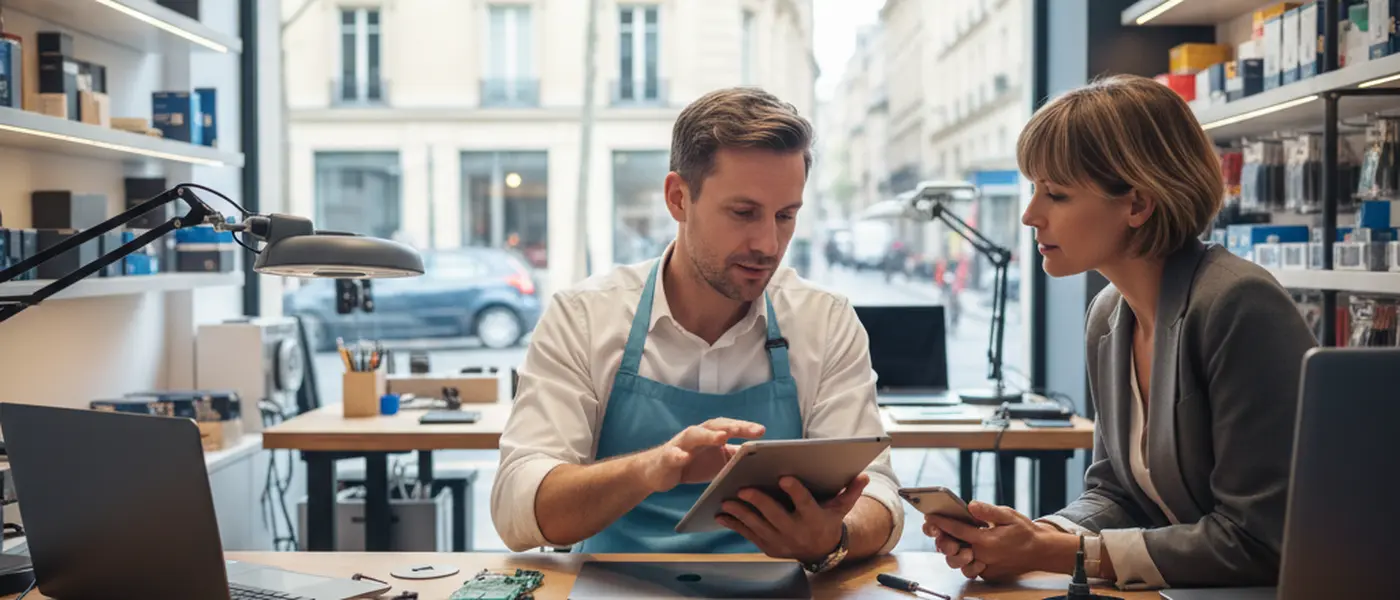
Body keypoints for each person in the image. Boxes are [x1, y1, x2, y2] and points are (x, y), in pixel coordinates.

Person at [922, 74, 1317, 590]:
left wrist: (1057, 552)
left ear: (1136, 204)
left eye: (1056, 195)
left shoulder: (1237, 304)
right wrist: (1032, 535)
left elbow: (1259, 540)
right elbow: (1117, 494)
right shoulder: (1109, 315)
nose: (1029, 215)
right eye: (1034, 189)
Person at [491, 87, 903, 572]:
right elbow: (517, 507)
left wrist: (832, 536)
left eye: (786, 216)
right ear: (678, 198)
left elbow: (878, 494)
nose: (769, 244)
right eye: (744, 213)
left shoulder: (825, 321)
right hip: (618, 587)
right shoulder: (584, 317)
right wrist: (651, 468)